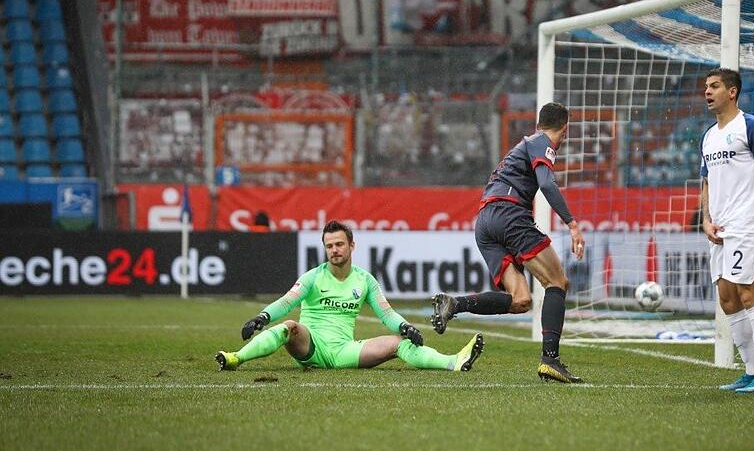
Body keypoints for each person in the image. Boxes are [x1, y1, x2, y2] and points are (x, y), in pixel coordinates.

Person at [430, 102, 586, 383]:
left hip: (485, 220)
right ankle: (550, 360)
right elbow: (547, 184)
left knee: (521, 300)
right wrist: (572, 224)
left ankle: (455, 304)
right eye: (565, 133)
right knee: (557, 282)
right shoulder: (542, 142)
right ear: (564, 129)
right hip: (509, 213)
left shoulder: (523, 145)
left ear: (539, 122)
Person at [216, 220, 483, 373]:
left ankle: (454, 362)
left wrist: (405, 326)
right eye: (329, 246)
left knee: (399, 342)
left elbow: (386, 314)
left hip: (345, 351)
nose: (334, 250)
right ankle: (236, 358)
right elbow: (287, 301)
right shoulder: (312, 277)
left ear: (351, 245)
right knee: (290, 327)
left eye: (339, 244)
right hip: (311, 346)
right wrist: (262, 317)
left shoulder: (364, 280)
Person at [699, 68, 754, 393]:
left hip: (748, 225)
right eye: (706, 87)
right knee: (727, 299)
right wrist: (706, 220)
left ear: (732, 91)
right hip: (719, 230)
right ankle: (751, 372)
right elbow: (706, 183)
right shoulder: (708, 136)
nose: (708, 92)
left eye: (715, 86)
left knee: (750, 294)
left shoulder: (753, 128)